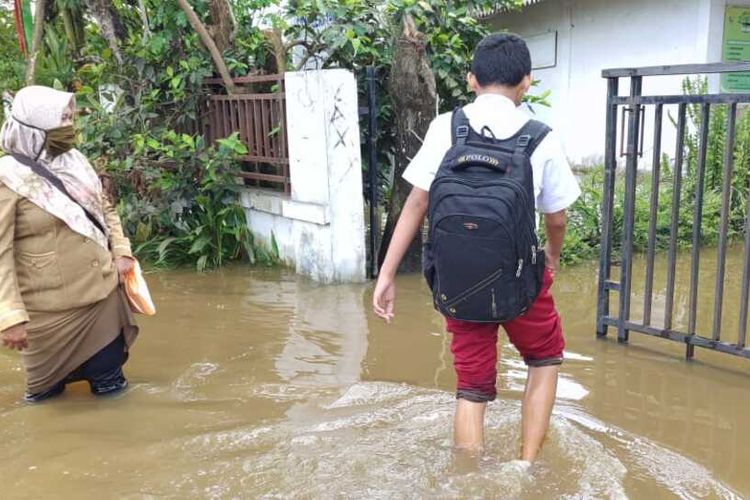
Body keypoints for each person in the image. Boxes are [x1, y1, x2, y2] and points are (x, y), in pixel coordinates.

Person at [372, 34, 580, 464]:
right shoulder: (540, 136)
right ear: (526, 82)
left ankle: (468, 478)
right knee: (543, 360)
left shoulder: (445, 127)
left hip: (458, 281)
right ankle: (523, 466)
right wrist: (551, 260)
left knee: (472, 387)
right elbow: (556, 218)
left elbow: (416, 203)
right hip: (523, 281)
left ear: (471, 80)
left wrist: (387, 274)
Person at [0, 85, 138, 402]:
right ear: (36, 126)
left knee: (112, 389)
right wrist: (9, 317)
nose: (69, 126)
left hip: (100, 298)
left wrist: (121, 251)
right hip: (47, 317)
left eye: (69, 117)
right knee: (42, 400)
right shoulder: (7, 178)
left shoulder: (75, 161)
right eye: (62, 119)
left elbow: (105, 209)